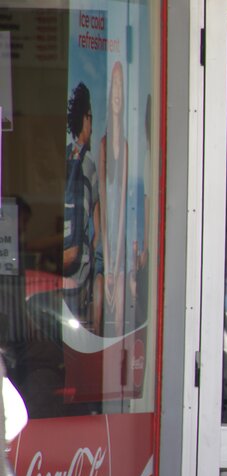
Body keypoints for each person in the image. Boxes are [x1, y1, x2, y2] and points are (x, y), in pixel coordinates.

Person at [64, 82, 102, 332]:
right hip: (78, 268)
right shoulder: (85, 164)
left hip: (71, 268)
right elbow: (97, 226)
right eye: (90, 117)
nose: (92, 125)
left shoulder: (69, 158)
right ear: (84, 118)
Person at [99, 60, 129, 337]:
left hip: (119, 247)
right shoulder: (103, 146)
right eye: (114, 86)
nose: (117, 92)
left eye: (121, 85)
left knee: (120, 303)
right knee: (99, 296)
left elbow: (121, 212)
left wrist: (117, 265)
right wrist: (107, 263)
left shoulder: (126, 148)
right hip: (105, 246)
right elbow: (105, 207)